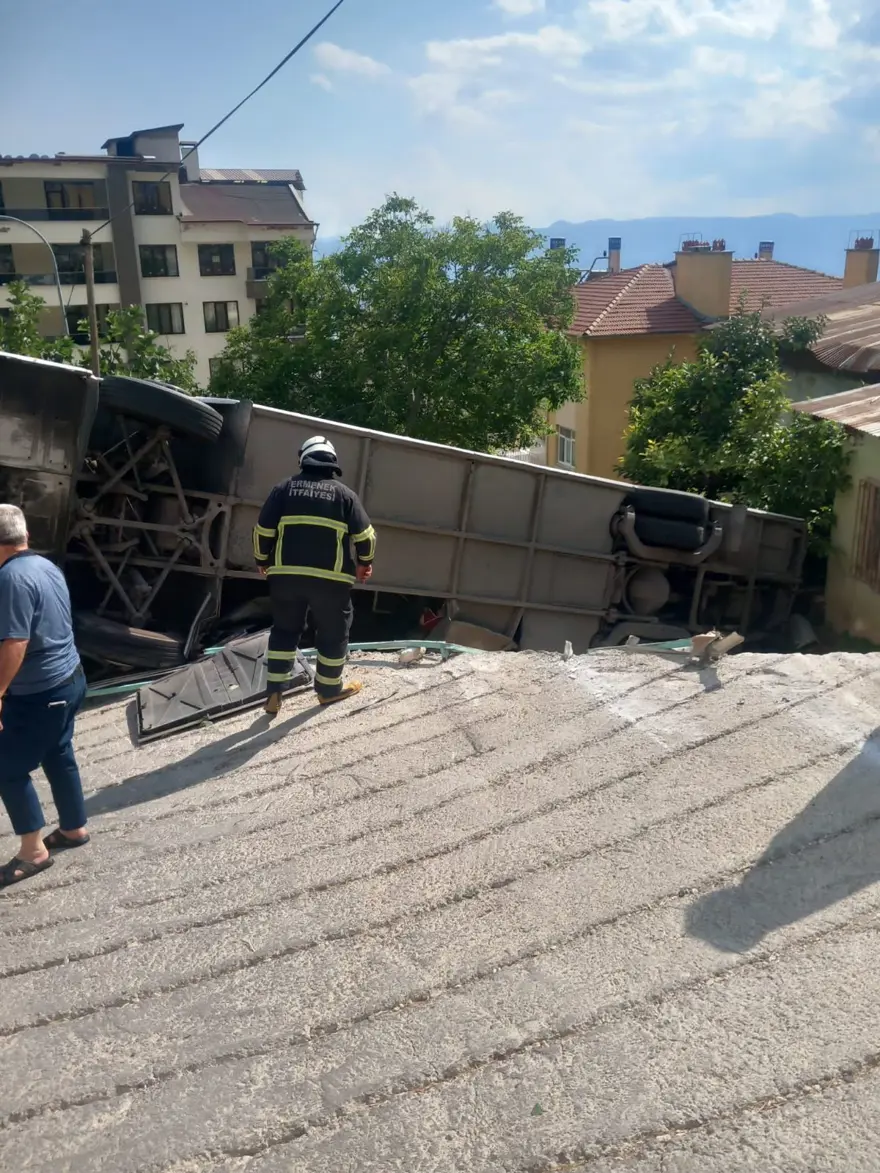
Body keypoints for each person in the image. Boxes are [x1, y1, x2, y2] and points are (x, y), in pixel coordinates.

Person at [254, 436, 377, 716]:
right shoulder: (345, 495)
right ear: (332, 463)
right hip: (330, 580)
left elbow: (262, 530)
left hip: (286, 576)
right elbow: (366, 536)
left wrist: (262, 559)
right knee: (333, 631)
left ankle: (274, 690)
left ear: (303, 458)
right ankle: (328, 690)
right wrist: (364, 563)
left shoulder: (283, 489)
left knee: (285, 629)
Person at [0, 504, 89, 887]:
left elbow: (16, 642)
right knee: (58, 752)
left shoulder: (10, 580)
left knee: (8, 769)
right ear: (24, 537)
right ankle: (73, 829)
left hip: (40, 691)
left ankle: (33, 851)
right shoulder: (45, 566)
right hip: (70, 679)